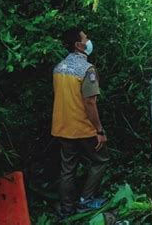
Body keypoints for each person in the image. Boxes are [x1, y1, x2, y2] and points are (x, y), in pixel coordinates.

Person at [51, 28, 109, 218]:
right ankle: (86, 201)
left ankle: (67, 209)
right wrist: (99, 130)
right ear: (79, 45)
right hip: (83, 127)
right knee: (100, 160)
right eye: (86, 38)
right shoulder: (87, 70)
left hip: (61, 126)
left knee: (67, 169)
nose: (89, 40)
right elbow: (90, 102)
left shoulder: (58, 68)